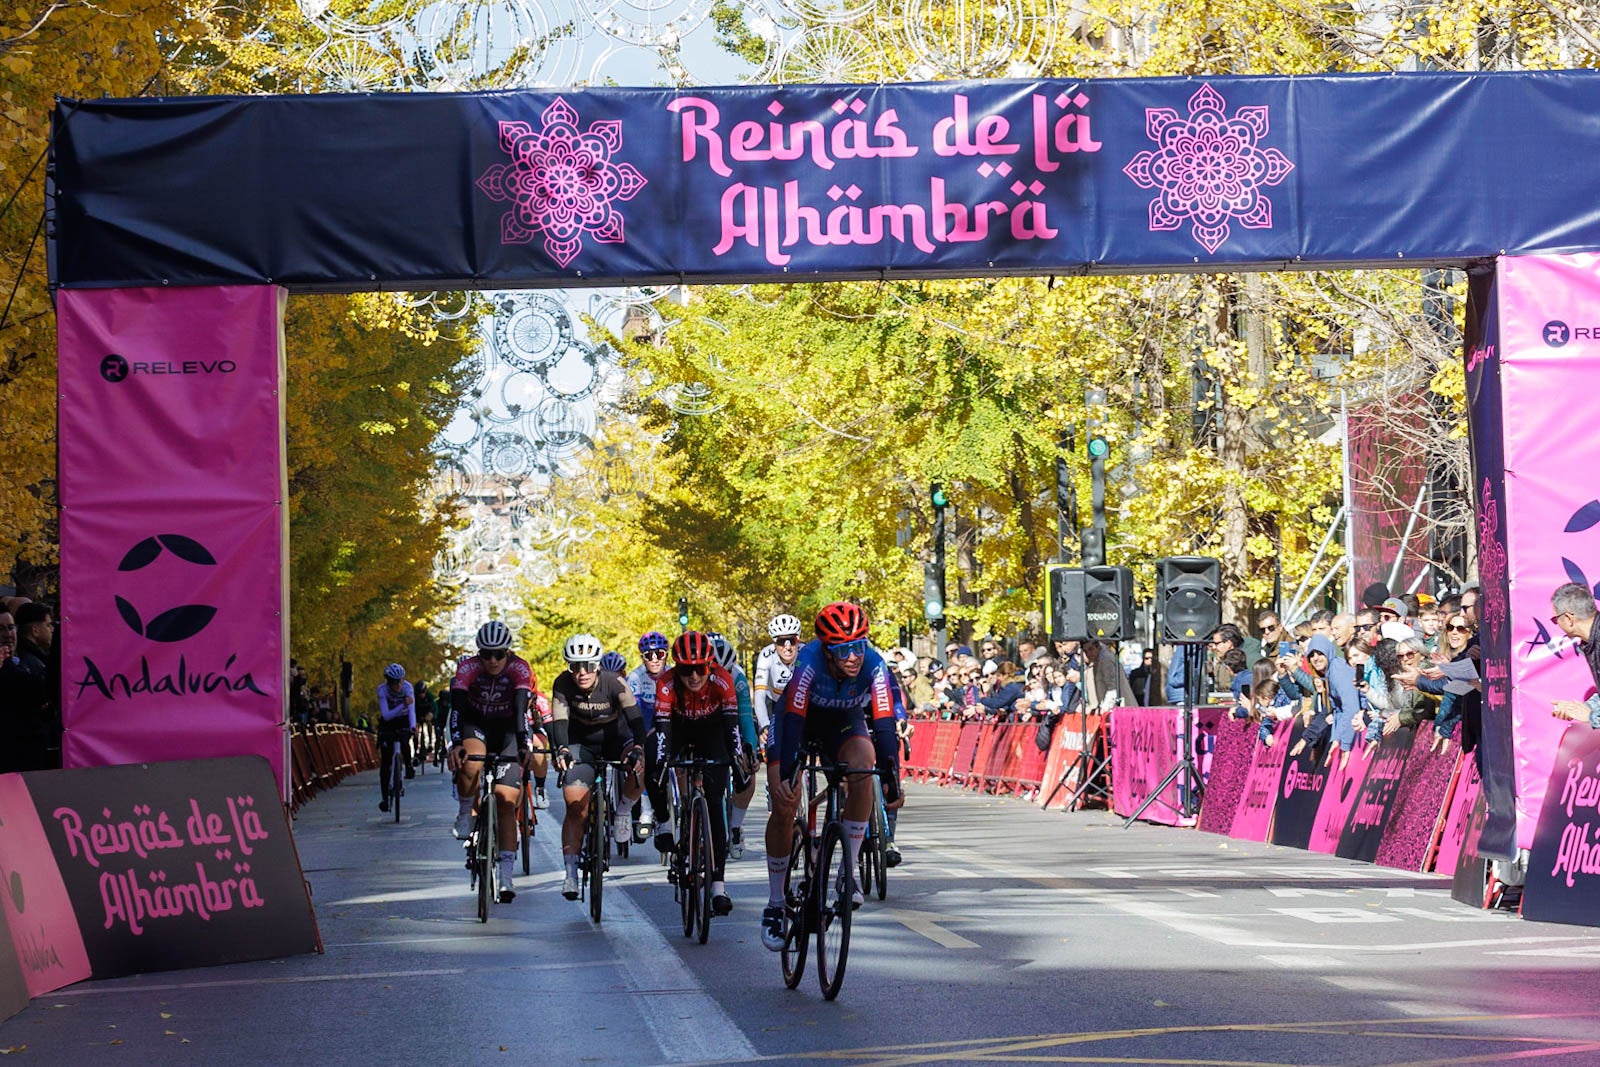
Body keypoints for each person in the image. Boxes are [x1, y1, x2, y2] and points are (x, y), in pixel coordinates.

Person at [760, 602, 901, 951]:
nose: (852, 656)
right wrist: (789, 770)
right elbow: (792, 718)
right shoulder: (808, 662)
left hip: (843, 722)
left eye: (858, 646)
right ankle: (776, 904)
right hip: (798, 722)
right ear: (826, 648)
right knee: (784, 800)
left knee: (865, 764)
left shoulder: (875, 664)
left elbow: (883, 722)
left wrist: (891, 773)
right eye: (842, 650)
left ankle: (847, 871)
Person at [654, 631, 748, 916]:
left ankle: (718, 885)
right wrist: (660, 765)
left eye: (700, 669)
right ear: (676, 668)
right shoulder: (666, 683)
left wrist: (738, 763)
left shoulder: (723, 680)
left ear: (710, 666)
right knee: (651, 763)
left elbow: (733, 730)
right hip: (678, 727)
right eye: (686, 670)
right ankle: (664, 824)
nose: (694, 677)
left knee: (715, 801)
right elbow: (662, 735)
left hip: (712, 730)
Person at [551, 633, 646, 901]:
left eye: (588, 666)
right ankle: (570, 873)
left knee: (639, 764)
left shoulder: (615, 682)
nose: (581, 673)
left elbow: (636, 720)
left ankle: (623, 812)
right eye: (574, 666)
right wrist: (562, 749)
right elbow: (559, 721)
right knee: (574, 804)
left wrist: (637, 747)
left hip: (616, 739)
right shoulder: (562, 684)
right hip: (581, 743)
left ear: (598, 666)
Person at [448, 621, 537, 903]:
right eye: (486, 655)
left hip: (509, 730)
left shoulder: (519, 668)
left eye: (499, 654)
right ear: (479, 653)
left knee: (507, 803)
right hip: (477, 725)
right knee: (470, 763)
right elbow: (457, 709)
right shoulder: (468, 669)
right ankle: (465, 812)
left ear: (507, 652)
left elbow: (522, 711)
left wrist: (524, 745)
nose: (493, 661)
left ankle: (506, 877)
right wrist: (457, 744)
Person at [708, 632, 758, 859]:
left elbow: (745, 717)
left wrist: (750, 748)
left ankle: (736, 827)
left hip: (732, 723)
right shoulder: (697, 676)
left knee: (748, 769)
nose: (722, 676)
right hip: (706, 726)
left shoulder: (738, 679)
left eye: (726, 671)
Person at [629, 631, 672, 842]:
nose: (654, 659)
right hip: (646, 723)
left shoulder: (674, 674)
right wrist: (642, 736)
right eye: (648, 655)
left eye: (659, 653)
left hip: (670, 722)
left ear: (666, 655)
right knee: (646, 756)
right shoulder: (636, 677)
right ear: (643, 658)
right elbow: (635, 712)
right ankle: (646, 807)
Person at [1551, 582, 1600, 728]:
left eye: (1556, 619)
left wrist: (1591, 716)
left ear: (1568, 619)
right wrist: (1585, 708)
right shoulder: (1591, 641)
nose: (1557, 624)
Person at [752, 613, 803, 752]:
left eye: (792, 640)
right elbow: (759, 695)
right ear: (774, 643)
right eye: (781, 641)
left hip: (800, 701)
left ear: (798, 640)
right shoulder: (766, 656)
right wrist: (764, 725)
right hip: (773, 701)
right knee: (772, 746)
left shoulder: (806, 653)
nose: (787, 647)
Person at [375, 663, 415, 812]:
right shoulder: (382, 690)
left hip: (404, 719)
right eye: (394, 682)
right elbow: (386, 715)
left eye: (400, 681)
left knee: (405, 742)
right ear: (388, 681)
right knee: (386, 761)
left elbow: (411, 710)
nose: (398, 685)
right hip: (388, 722)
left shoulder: (407, 688)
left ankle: (409, 765)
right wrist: (401, 705)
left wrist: (413, 726)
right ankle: (385, 798)